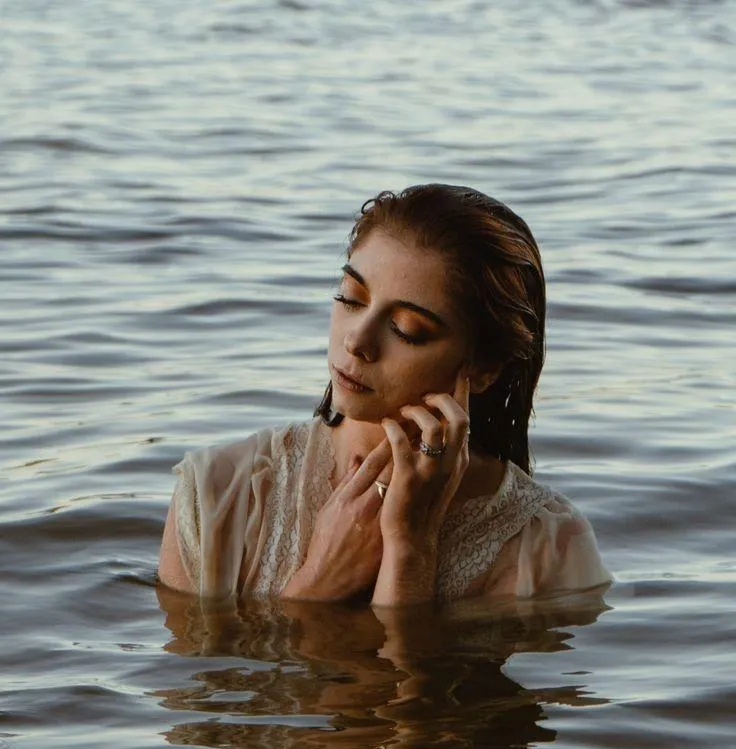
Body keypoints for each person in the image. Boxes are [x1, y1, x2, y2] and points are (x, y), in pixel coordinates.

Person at [158, 183, 611, 605]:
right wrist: (320, 580)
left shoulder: (549, 548)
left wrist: (410, 548)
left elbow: (415, 694)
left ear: (484, 368)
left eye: (406, 329)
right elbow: (196, 687)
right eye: (351, 298)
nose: (357, 340)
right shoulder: (216, 493)